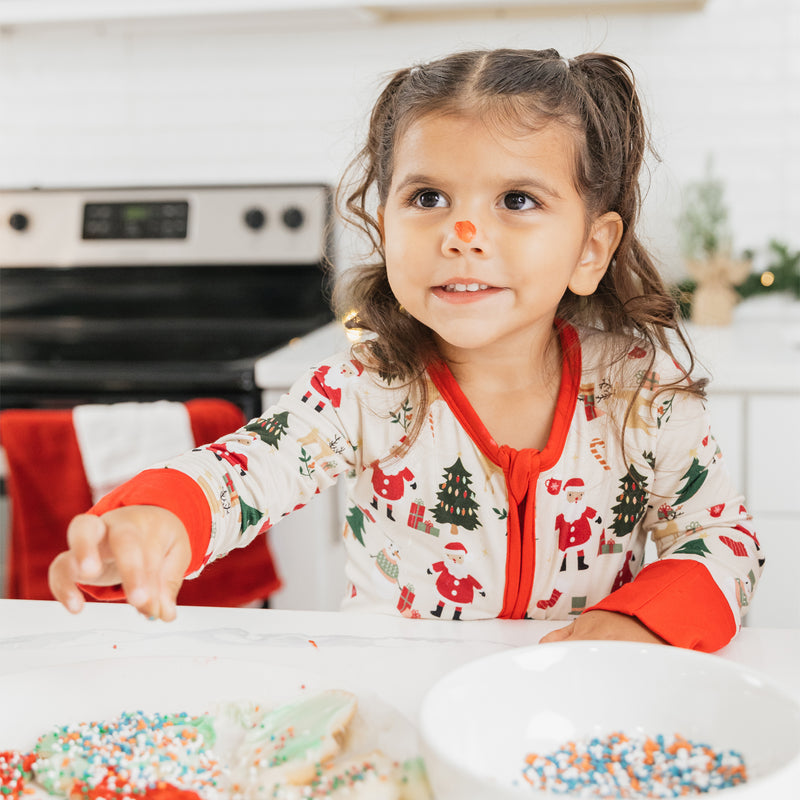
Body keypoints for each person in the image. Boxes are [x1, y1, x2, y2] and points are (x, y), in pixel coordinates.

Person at [48, 48, 763, 652]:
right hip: (394, 696)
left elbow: (724, 541)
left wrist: (637, 621)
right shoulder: (364, 389)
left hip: (570, 707)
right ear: (384, 222)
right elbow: (242, 472)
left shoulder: (644, 392)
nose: (461, 233)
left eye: (516, 200)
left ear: (591, 248)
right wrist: (158, 517)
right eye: (427, 198)